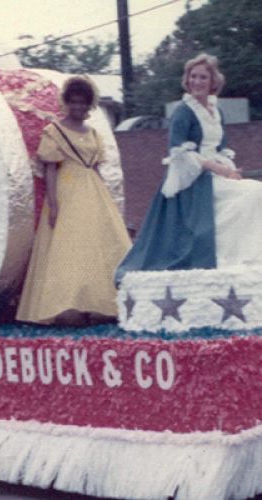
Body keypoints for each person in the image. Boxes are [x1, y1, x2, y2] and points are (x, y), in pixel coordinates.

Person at [115, 53, 262, 283]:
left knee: (254, 191)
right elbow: (179, 152)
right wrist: (220, 170)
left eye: (203, 77)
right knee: (253, 192)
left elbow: (220, 148)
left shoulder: (216, 111)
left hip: (215, 173)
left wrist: (229, 169)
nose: (197, 82)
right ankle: (222, 256)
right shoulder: (183, 111)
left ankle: (239, 255)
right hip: (191, 178)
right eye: (193, 76)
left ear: (213, 82)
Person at [16, 76, 131, 325]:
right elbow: (50, 169)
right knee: (70, 248)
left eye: (83, 102)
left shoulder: (94, 134)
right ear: (66, 103)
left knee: (97, 245)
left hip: (93, 191)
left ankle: (99, 303)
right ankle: (67, 305)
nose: (78, 107)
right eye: (73, 102)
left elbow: (97, 168)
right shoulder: (54, 131)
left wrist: (106, 199)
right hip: (68, 190)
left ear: (90, 105)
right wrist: (54, 204)